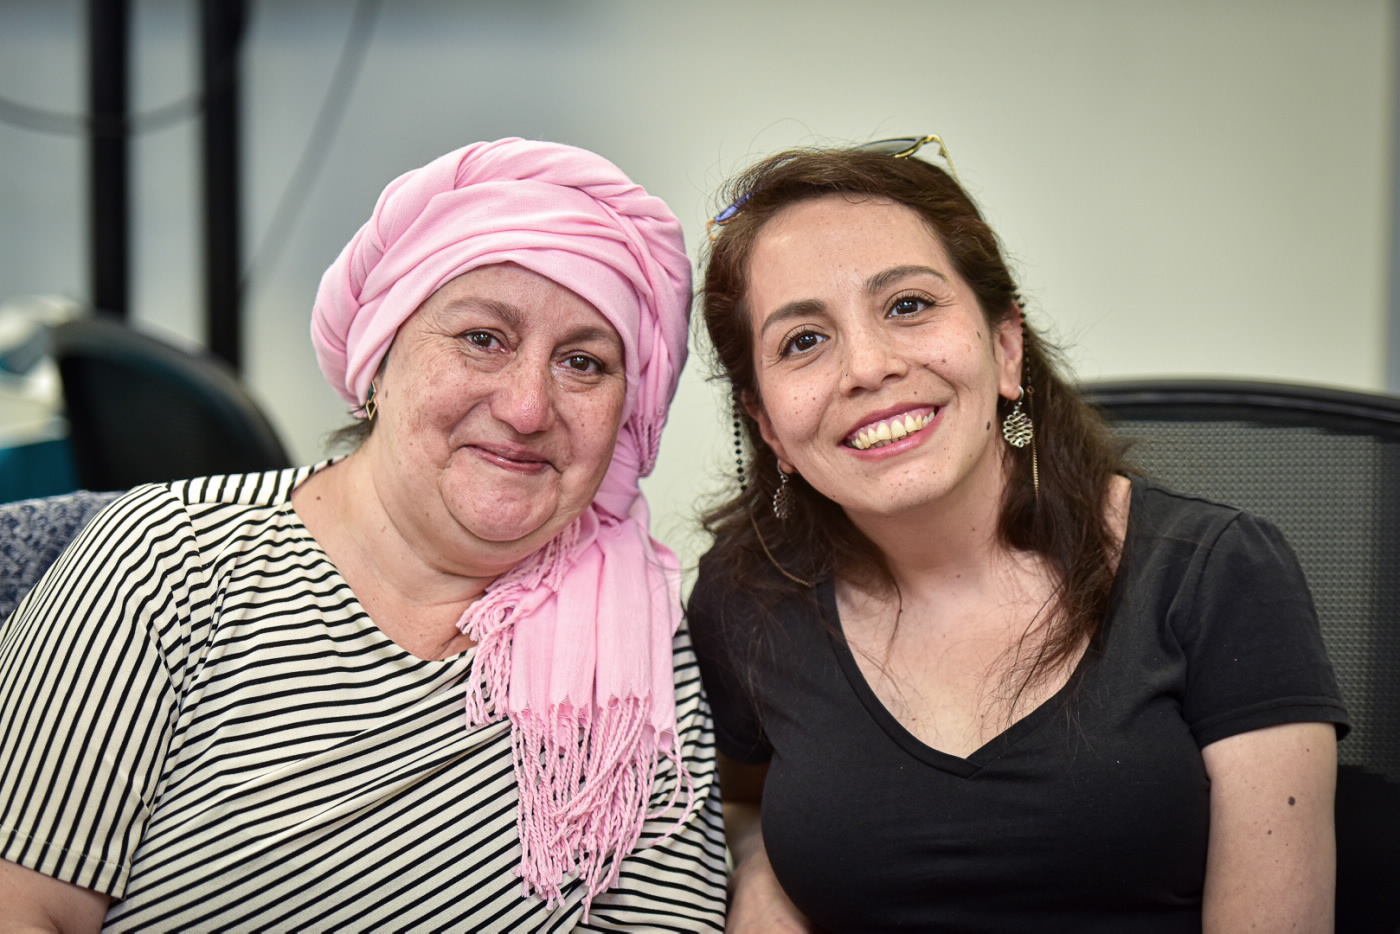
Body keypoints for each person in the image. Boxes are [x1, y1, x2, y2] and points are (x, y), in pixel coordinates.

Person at [0, 138, 727, 932]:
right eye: (483, 338)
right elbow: (26, 908)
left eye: (583, 363)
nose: (527, 408)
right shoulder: (164, 560)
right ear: (379, 359)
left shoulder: (632, 647)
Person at [687, 135, 1348, 933]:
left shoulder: (1215, 572)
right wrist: (759, 868)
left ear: (1005, 347)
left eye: (908, 305)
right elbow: (740, 799)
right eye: (803, 341)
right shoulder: (749, 592)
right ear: (768, 425)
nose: (866, 367)